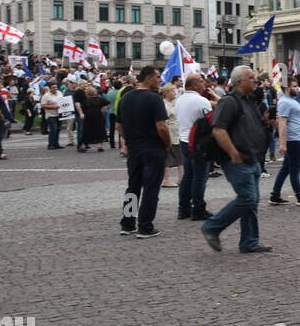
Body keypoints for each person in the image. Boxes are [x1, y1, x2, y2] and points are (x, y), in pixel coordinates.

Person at [200, 66, 272, 254]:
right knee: (247, 199)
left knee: (252, 202)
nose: (255, 80)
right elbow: (218, 130)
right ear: (239, 81)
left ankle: (249, 241)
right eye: (251, 78)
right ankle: (212, 227)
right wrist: (233, 153)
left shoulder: (248, 100)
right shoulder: (229, 102)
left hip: (252, 158)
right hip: (237, 160)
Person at [115, 65, 172, 239]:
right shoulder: (154, 99)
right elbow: (161, 127)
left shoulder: (126, 97)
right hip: (153, 148)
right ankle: (145, 226)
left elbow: (118, 125)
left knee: (132, 187)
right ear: (148, 78)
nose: (160, 80)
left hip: (134, 149)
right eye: (157, 77)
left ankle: (128, 222)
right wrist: (168, 143)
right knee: (151, 188)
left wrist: (130, 140)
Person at [269, 76, 300, 207]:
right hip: (294, 139)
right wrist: (283, 143)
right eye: (295, 86)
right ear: (288, 88)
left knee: (286, 169)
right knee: (294, 169)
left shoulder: (290, 100)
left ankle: (275, 195)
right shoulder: (285, 102)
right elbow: (282, 124)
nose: (297, 88)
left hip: (297, 138)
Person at [175, 74, 215, 221]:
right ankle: (198, 208)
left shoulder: (180, 100)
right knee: (200, 177)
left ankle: (183, 209)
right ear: (193, 85)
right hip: (198, 143)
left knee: (188, 176)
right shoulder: (201, 101)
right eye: (201, 81)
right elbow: (212, 120)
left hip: (184, 141)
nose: (204, 84)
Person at [80, 83, 109, 152]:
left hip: (88, 117)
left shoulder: (86, 100)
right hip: (98, 116)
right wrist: (103, 109)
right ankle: (100, 146)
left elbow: (82, 108)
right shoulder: (100, 99)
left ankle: (84, 145)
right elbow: (108, 103)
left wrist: (82, 114)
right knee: (100, 130)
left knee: (87, 131)